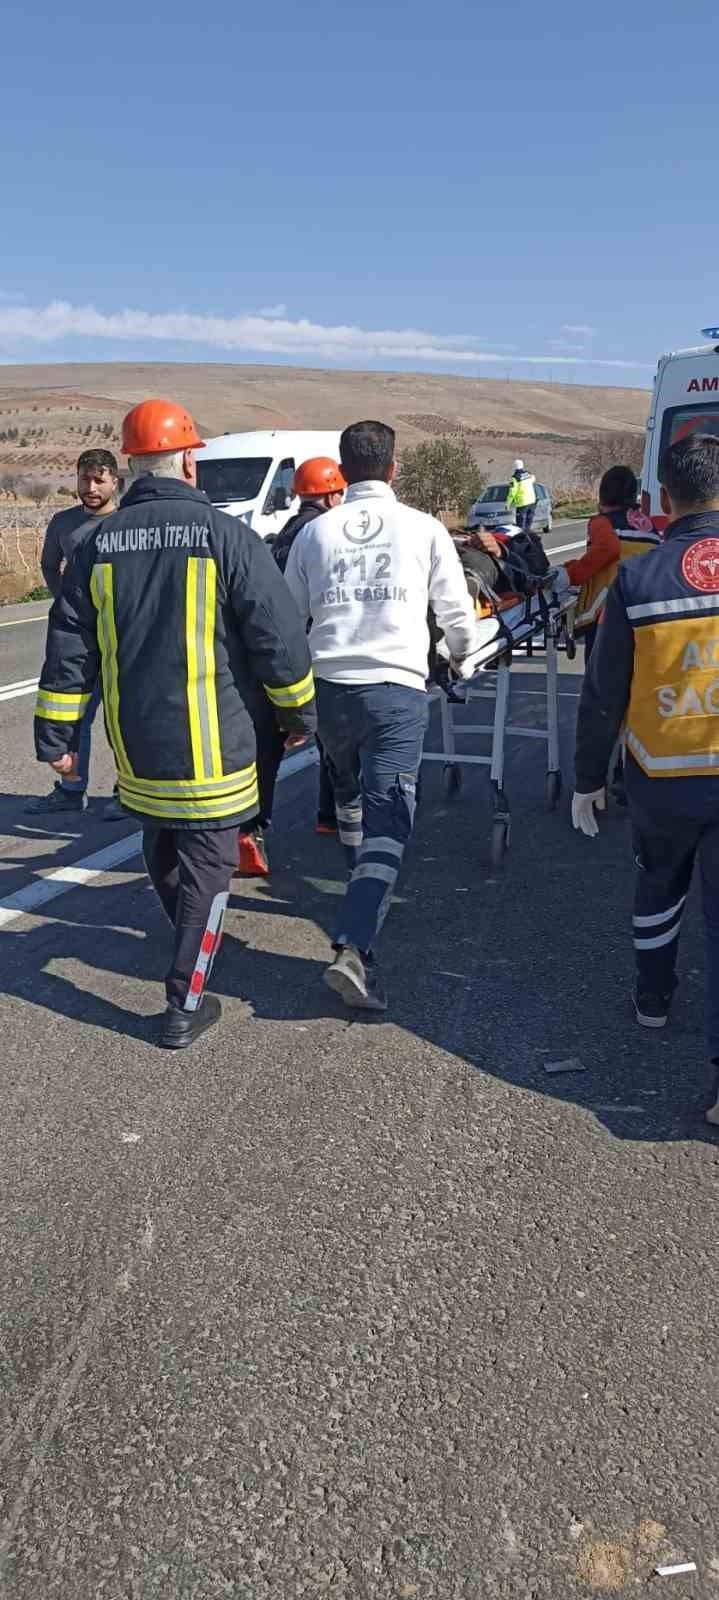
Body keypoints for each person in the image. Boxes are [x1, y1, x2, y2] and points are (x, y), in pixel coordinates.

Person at [34, 398, 316, 1049]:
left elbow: (69, 650)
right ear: (190, 460)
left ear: (130, 464)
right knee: (211, 865)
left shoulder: (97, 543)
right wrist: (298, 714)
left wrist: (55, 740)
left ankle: (190, 933)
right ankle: (185, 999)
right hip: (216, 747)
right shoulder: (229, 537)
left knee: (163, 844)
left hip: (136, 749)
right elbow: (278, 641)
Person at [284, 418, 489, 1011]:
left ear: (343, 473)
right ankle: (354, 943)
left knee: (347, 790)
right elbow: (457, 614)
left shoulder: (314, 534)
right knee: (390, 816)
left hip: (330, 692)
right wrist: (460, 661)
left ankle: (359, 884)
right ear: (394, 468)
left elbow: (289, 618)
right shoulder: (423, 529)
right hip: (395, 692)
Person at [572, 434, 719, 1124]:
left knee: (658, 886)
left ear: (661, 500)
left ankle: (652, 999)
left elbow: (603, 692)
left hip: (662, 776)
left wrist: (584, 778)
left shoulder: (638, 579)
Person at [236, 456, 345, 877]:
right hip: (303, 651)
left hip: (264, 651)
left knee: (269, 747)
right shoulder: (322, 534)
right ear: (334, 494)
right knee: (329, 738)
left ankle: (257, 825)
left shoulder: (282, 533)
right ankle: (328, 815)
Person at [27, 449, 124, 819]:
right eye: (85, 478)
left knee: (123, 715)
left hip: (122, 636)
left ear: (115, 481)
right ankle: (71, 789)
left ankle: (126, 792)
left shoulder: (129, 522)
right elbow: (49, 565)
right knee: (75, 716)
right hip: (78, 640)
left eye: (99, 479)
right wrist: (68, 602)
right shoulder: (63, 523)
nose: (91, 486)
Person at [564, 466, 661, 803]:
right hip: (646, 617)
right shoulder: (647, 524)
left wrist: (571, 575)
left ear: (603, 496)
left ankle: (596, 778)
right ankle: (627, 769)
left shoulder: (601, 524)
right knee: (637, 695)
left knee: (605, 700)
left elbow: (605, 552)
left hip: (608, 619)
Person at [506, 459, 537, 531]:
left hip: (522, 503)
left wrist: (508, 503)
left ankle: (522, 538)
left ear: (514, 467)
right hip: (532, 501)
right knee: (528, 523)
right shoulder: (527, 475)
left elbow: (512, 492)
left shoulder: (515, 478)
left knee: (520, 524)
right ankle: (528, 535)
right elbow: (533, 479)